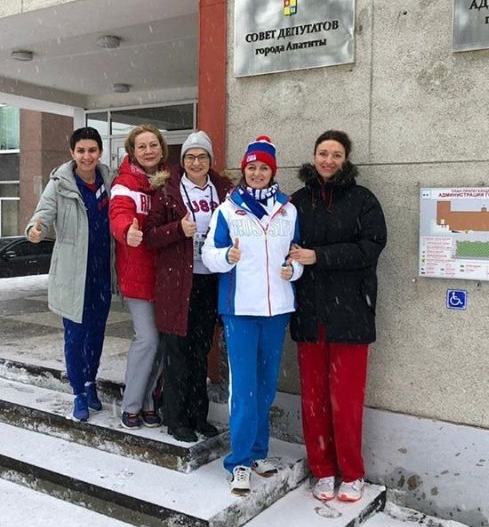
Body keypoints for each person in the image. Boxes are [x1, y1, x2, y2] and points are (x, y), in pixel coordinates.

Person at [289, 129, 387, 503]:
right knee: (313, 400)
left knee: (345, 401)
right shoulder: (298, 201)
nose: (328, 160)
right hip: (310, 312)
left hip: (351, 313)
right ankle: (323, 469)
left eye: (336, 154)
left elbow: (371, 247)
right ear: (313, 156)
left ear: (346, 159)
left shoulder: (363, 200)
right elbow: (282, 242)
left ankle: (352, 472)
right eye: (323, 153)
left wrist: (320, 256)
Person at [202, 135, 302, 495]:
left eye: (263, 168)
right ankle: (239, 461)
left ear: (272, 171)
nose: (257, 173)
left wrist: (295, 271)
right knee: (243, 389)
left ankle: (259, 452)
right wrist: (225, 257)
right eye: (252, 167)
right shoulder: (228, 210)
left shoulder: (288, 211)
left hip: (277, 310)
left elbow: (296, 255)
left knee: (265, 386)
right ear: (244, 170)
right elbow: (209, 254)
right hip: (240, 310)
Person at [144, 131, 232, 443]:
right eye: (191, 157)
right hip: (178, 283)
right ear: (183, 161)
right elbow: (150, 236)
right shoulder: (167, 190)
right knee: (177, 352)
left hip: (209, 280)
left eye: (202, 156)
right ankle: (175, 418)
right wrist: (177, 229)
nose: (196, 162)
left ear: (210, 160)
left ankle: (198, 415)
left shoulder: (223, 191)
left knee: (200, 350)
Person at [25, 126, 113, 422]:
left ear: (100, 152)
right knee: (75, 336)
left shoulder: (109, 180)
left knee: (96, 333)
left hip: (102, 274)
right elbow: (42, 214)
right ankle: (78, 392)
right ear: (72, 153)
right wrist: (35, 230)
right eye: (81, 151)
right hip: (72, 275)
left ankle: (90, 382)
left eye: (92, 150)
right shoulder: (60, 184)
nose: (87, 156)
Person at [109, 124, 169, 429]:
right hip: (137, 274)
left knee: (162, 343)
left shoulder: (169, 181)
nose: (148, 151)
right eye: (141, 146)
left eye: (153, 145)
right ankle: (131, 404)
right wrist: (126, 232)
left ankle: (148, 402)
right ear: (132, 152)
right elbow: (118, 214)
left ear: (161, 148)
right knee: (147, 339)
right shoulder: (125, 183)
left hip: (167, 275)